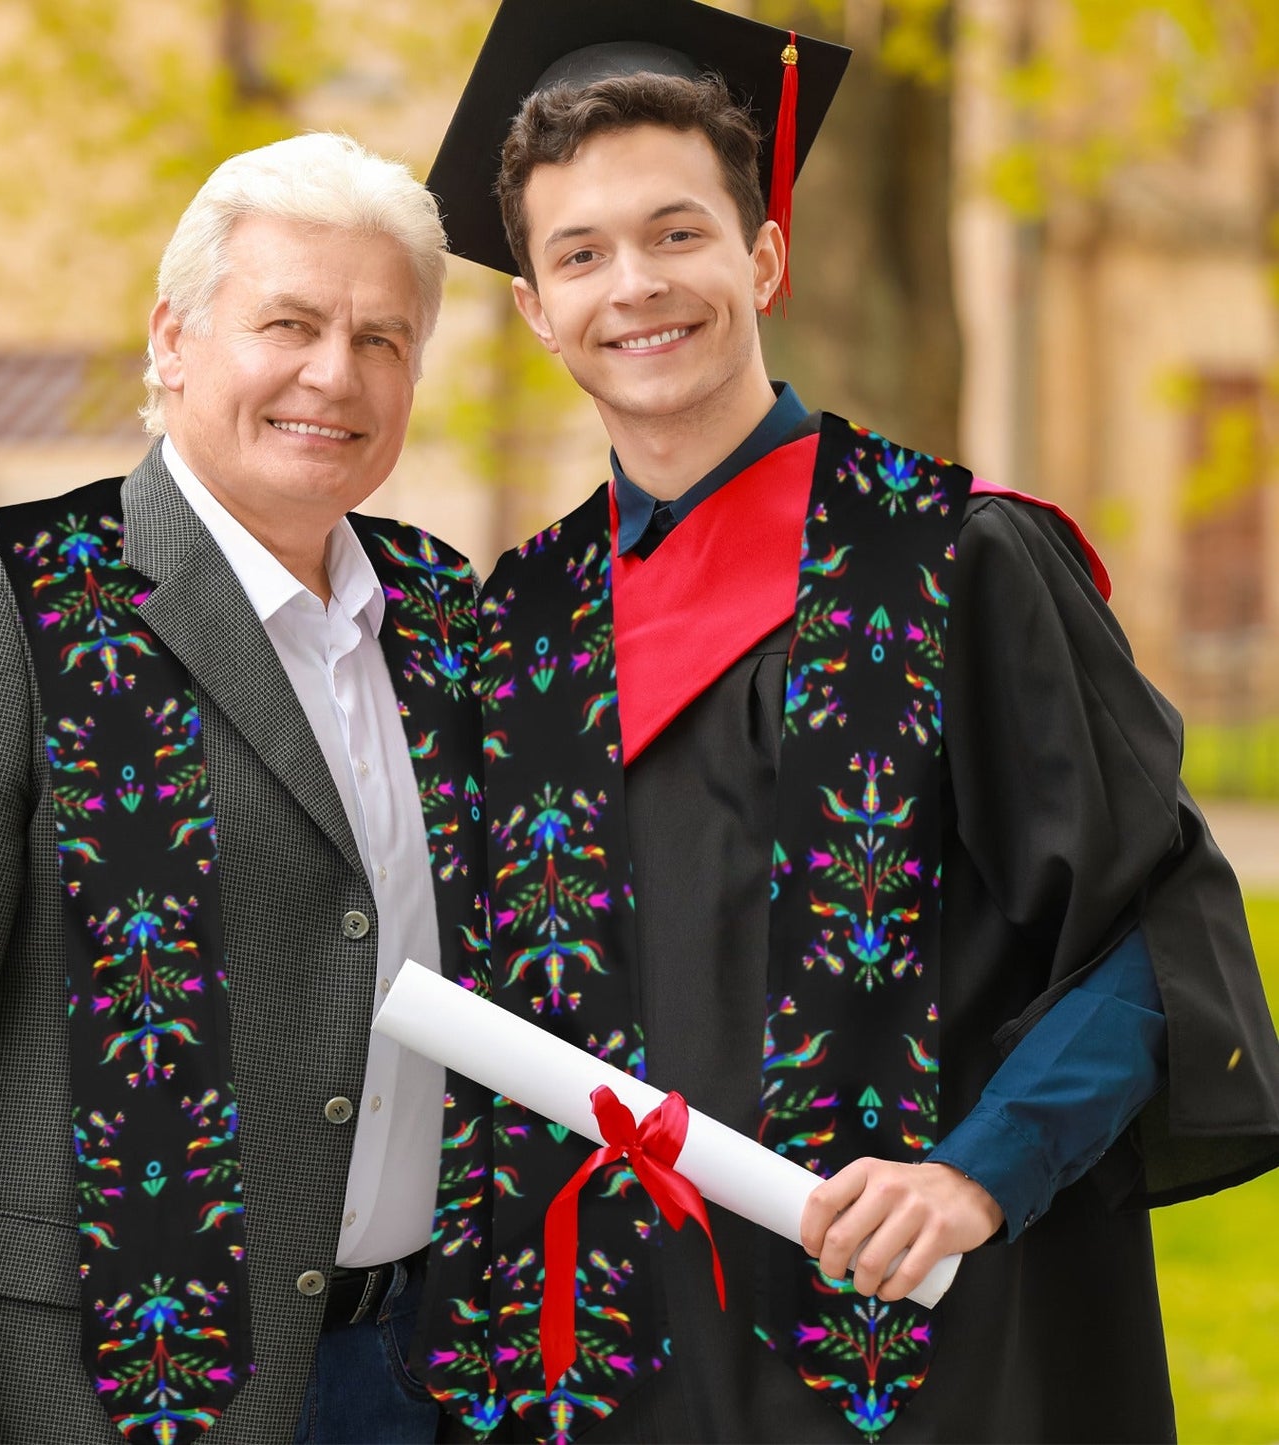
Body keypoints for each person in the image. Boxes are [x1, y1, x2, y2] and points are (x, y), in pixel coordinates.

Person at [408, 2, 1279, 1441]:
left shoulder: (954, 562)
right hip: (615, 1364)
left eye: (677, 233)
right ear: (533, 307)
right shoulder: (519, 628)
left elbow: (1151, 929)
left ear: (762, 254)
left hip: (925, 1342)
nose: (634, 285)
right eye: (579, 254)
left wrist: (979, 1170)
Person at [0, 131, 488, 1445]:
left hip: (418, 1382)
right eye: (288, 322)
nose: (332, 373)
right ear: (173, 339)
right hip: (100, 1396)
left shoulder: (441, 611)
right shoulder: (7, 596)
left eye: (380, 338)